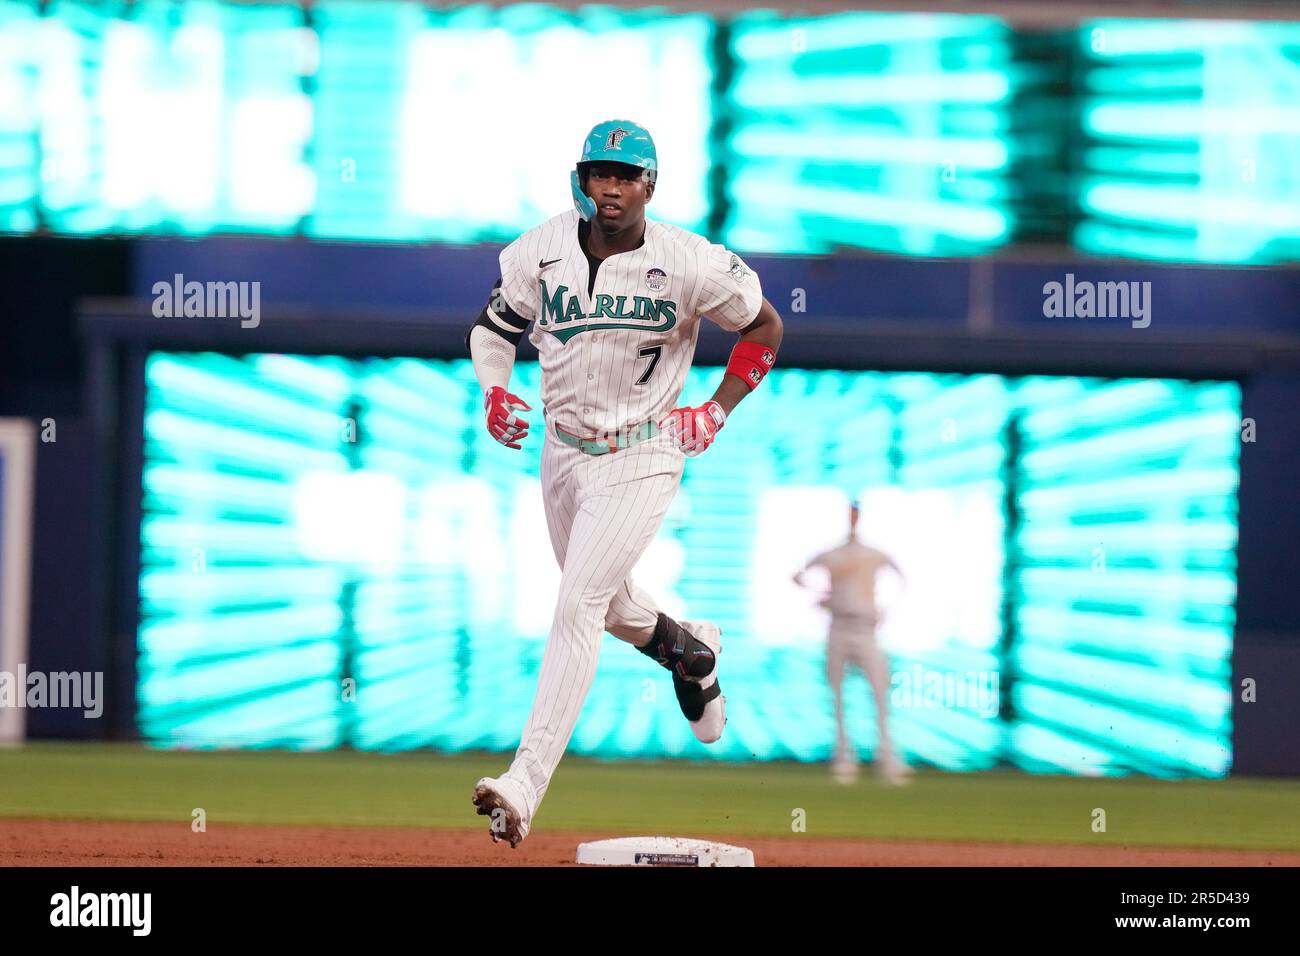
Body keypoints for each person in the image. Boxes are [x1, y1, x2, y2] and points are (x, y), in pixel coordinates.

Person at [464, 119, 784, 846]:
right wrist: (493, 388)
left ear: (650, 185)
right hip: (562, 451)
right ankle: (688, 654)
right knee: (609, 607)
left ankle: (524, 782)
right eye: (597, 173)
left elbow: (764, 327)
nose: (609, 187)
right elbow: (491, 328)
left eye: (624, 175)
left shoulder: (692, 262)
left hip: (646, 448)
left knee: (578, 600)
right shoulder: (536, 252)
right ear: (581, 180)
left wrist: (719, 409)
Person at [794, 502, 911, 785]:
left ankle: (887, 758)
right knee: (838, 698)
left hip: (867, 629)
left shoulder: (873, 553)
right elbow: (798, 576)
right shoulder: (832, 554)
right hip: (839, 628)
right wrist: (821, 596)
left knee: (880, 695)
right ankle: (844, 757)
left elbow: (901, 577)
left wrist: (885, 610)